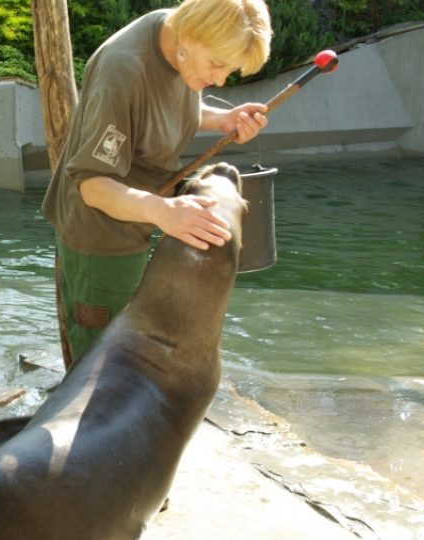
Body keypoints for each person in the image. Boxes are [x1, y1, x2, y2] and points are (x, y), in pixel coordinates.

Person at [41, 0, 273, 366]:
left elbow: (162, 109)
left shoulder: (176, 38)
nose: (220, 79)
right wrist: (161, 210)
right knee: (100, 361)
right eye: (217, 65)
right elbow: (93, 185)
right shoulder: (122, 73)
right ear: (192, 36)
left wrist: (223, 120)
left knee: (133, 346)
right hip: (100, 230)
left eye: (229, 70)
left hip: (150, 209)